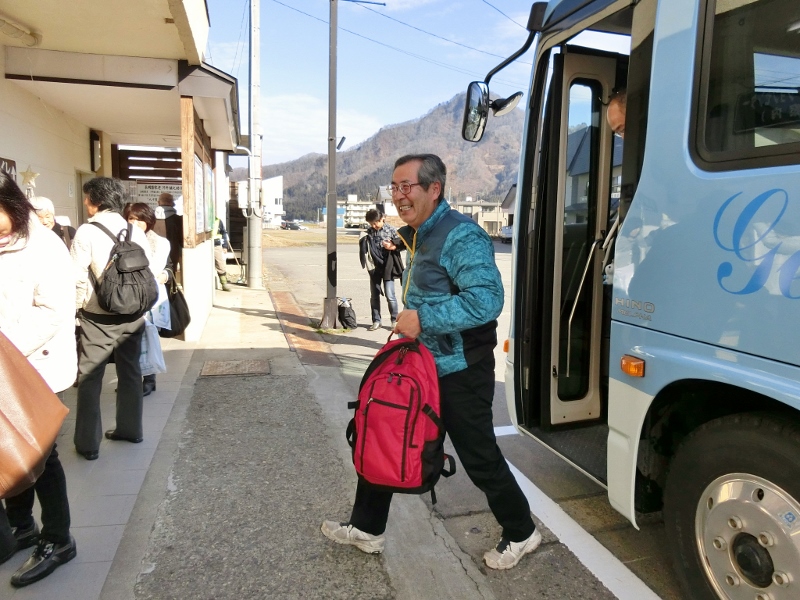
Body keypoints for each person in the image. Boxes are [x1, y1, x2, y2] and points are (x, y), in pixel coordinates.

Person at [322, 154, 541, 570]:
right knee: (383, 430)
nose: (399, 196)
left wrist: (422, 319)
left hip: (460, 369)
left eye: (408, 187)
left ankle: (522, 531)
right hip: (422, 365)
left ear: (434, 188)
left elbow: (487, 300)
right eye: (395, 187)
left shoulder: (461, 235)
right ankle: (367, 528)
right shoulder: (419, 233)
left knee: (478, 455)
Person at [0, 171, 78, 586]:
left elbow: (53, 311)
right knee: (6, 448)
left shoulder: (42, 245)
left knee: (40, 457)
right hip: (3, 367)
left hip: (37, 366)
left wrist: (4, 348)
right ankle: (21, 527)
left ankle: (59, 538)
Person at [71, 177, 154, 460]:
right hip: (133, 312)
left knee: (90, 376)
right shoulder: (134, 229)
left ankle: (88, 444)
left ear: (97, 201)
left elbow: (78, 276)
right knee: (131, 371)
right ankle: (131, 430)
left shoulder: (86, 231)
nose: (85, 202)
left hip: (98, 315)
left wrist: (78, 309)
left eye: (87, 198)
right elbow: (148, 268)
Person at [124, 202, 171, 397]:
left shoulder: (159, 242)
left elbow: (169, 266)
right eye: (131, 219)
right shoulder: (121, 239)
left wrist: (165, 276)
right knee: (130, 340)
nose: (135, 223)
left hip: (152, 296)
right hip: (129, 296)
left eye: (140, 219)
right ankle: (132, 378)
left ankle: (149, 379)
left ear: (149, 221)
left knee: (149, 338)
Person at [358, 209, 404, 330]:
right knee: (374, 295)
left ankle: (394, 320)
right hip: (375, 267)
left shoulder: (391, 230)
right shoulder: (369, 232)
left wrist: (393, 246)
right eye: (371, 224)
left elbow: (402, 244)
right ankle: (376, 320)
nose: (374, 226)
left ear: (382, 219)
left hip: (388, 266)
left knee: (390, 295)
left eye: (375, 223)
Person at [153, 192, 182, 274]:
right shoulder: (178, 220)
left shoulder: (151, 219)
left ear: (158, 203)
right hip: (172, 253)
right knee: (170, 274)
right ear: (172, 203)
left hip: (154, 252)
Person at [213, 216, 232, 291]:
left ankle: (224, 283)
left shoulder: (218, 221)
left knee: (220, 263)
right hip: (204, 244)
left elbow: (224, 233)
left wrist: (225, 246)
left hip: (216, 245)